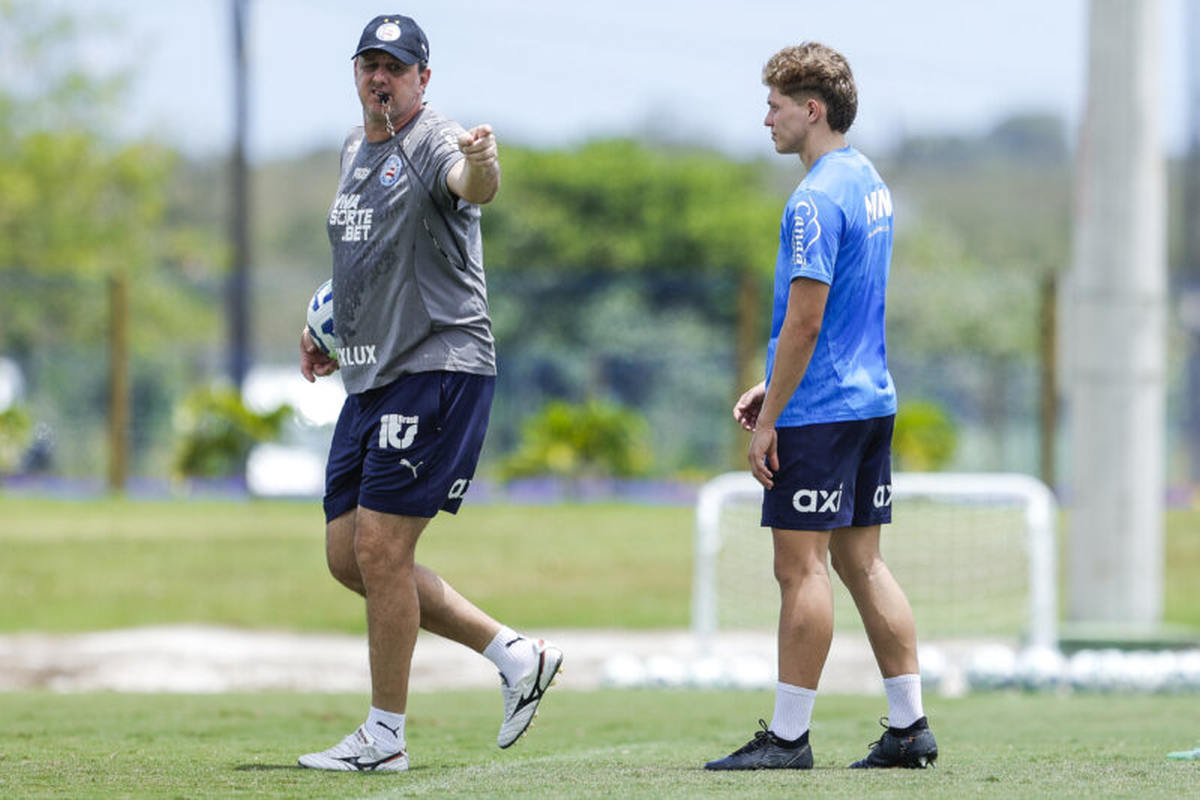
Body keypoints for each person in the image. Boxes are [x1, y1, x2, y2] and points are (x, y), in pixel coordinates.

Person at [296, 13, 562, 772]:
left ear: (422, 79)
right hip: (371, 375)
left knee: (381, 548)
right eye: (368, 64)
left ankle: (384, 738)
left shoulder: (435, 140)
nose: (379, 78)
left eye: (395, 66)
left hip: (439, 369)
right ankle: (514, 655)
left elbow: (470, 183)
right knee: (349, 557)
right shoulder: (355, 149)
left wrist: (483, 162)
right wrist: (326, 329)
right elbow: (366, 261)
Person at [704, 42, 937, 771]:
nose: (764, 117)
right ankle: (909, 728)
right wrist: (770, 386)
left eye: (775, 104)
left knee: (798, 569)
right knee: (863, 564)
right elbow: (828, 323)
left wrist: (771, 416)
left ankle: (788, 739)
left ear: (812, 110)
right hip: (870, 402)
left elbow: (807, 319)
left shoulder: (811, 200)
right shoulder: (868, 180)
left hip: (822, 411)